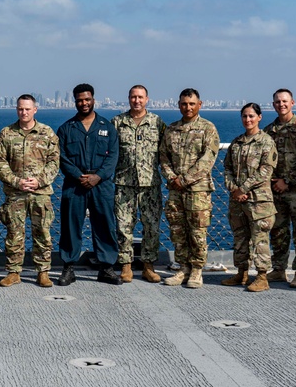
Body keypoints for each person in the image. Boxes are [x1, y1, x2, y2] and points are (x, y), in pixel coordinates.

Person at [56, 83, 121, 286]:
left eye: (87, 99)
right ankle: (68, 268)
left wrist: (97, 177)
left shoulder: (107, 127)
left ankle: (106, 268)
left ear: (93, 99)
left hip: (101, 185)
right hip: (74, 185)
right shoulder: (66, 129)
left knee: (104, 226)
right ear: (74, 101)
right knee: (70, 226)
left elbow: (113, 157)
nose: (84, 103)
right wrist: (79, 176)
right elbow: (62, 157)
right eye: (79, 100)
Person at [0, 94, 60, 288]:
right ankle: (14, 272)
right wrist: (16, 181)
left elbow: (54, 162)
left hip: (40, 193)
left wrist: (39, 181)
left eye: (27, 109)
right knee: (14, 234)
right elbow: (0, 162)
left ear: (35, 110)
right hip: (16, 193)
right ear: (17, 110)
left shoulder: (47, 133)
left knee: (42, 233)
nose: (24, 112)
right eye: (20, 109)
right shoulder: (6, 134)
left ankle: (43, 272)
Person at [159, 88, 220, 289]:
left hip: (198, 191)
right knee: (177, 230)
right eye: (184, 104)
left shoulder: (208, 129)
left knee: (197, 232)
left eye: (192, 104)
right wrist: (171, 177)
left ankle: (196, 270)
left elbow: (207, 160)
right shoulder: (171, 129)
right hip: (175, 190)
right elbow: (163, 157)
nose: (188, 107)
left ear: (199, 105)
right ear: (179, 105)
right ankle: (183, 267)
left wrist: (184, 180)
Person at [111, 85, 166, 283]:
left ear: (147, 99)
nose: (137, 101)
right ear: (128, 98)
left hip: (150, 183)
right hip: (124, 183)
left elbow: (165, 150)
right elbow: (110, 151)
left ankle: (148, 266)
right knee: (124, 226)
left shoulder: (157, 122)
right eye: (133, 97)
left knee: (151, 225)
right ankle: (126, 265)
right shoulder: (118, 122)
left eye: (140, 97)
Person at [221, 103, 278, 292]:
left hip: (259, 201)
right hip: (238, 200)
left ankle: (262, 277)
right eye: (245, 116)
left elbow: (266, 171)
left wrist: (243, 188)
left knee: (260, 239)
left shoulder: (266, 142)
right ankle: (241, 273)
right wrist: (234, 188)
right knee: (240, 237)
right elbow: (227, 168)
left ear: (259, 117)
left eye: (252, 116)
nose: (248, 120)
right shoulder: (237, 143)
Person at [263, 89, 296, 289]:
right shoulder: (269, 131)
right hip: (276, 191)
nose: (281, 104)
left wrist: (287, 180)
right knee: (278, 231)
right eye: (277, 101)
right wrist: (275, 182)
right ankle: (278, 269)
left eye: (284, 101)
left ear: (292, 102)